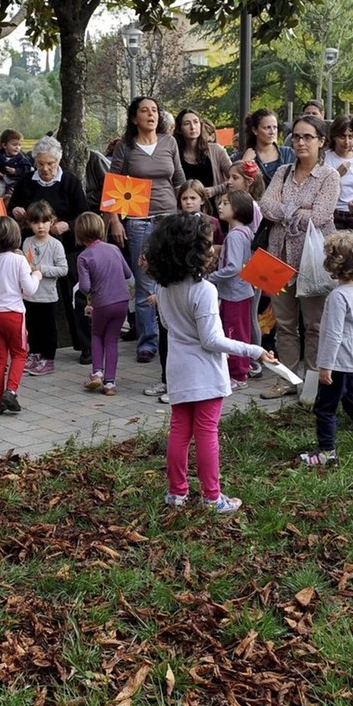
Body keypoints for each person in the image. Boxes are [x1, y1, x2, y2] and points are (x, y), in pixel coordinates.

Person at [147, 212, 272, 512]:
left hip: (177, 367)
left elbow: (166, 323)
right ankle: (212, 497)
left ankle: (176, 493)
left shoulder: (163, 288)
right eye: (207, 244)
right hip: (203, 371)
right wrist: (254, 350)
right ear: (194, 250)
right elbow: (212, 340)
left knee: (179, 430)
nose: (212, 249)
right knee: (206, 433)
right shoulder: (204, 290)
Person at [257, 114, 340, 400]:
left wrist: (286, 210)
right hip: (276, 257)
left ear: (321, 141)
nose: (301, 142)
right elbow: (266, 206)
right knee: (284, 323)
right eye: (296, 136)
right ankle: (287, 380)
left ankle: (314, 383)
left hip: (313, 261)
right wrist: (297, 211)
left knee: (314, 324)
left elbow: (321, 215)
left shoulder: (329, 176)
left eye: (308, 137)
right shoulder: (282, 172)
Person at [105, 97, 185, 364]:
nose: (151, 114)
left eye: (154, 110)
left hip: (170, 220)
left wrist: (188, 215)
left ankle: (175, 337)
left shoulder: (169, 142)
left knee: (173, 279)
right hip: (139, 220)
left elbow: (179, 181)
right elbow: (113, 185)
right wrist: (115, 221)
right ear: (133, 118)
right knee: (145, 284)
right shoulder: (125, 147)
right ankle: (147, 342)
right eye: (144, 110)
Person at [298, 230, 353, 466]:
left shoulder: (338, 296)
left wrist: (325, 366)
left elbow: (333, 335)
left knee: (325, 408)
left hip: (338, 364)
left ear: (333, 263)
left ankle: (326, 452)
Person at [7, 137, 91, 360]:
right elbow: (11, 207)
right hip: (33, 247)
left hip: (65, 246)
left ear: (58, 161)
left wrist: (68, 225)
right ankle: (35, 348)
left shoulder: (70, 182)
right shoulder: (27, 181)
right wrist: (16, 210)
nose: (45, 168)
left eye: (50, 164)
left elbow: (84, 215)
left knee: (74, 294)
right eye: (41, 163)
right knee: (33, 297)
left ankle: (85, 345)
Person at [0, 215, 42, 415]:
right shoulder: (19, 260)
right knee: (19, 354)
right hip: (14, 314)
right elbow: (29, 289)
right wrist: (36, 275)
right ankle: (10, 391)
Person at [78, 211, 133, 395]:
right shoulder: (114, 249)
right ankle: (110, 383)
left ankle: (97, 373)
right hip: (122, 301)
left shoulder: (84, 257)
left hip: (102, 303)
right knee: (112, 340)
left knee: (96, 335)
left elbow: (85, 287)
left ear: (79, 234)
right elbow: (127, 274)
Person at [207, 190, 256, 388]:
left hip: (235, 293)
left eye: (225, 203)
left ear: (238, 208)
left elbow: (234, 267)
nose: (220, 206)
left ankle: (239, 374)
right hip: (239, 292)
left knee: (233, 333)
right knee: (237, 332)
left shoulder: (235, 236)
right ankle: (239, 370)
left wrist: (211, 278)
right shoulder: (244, 232)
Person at [22, 201, 69, 376]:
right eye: (35, 222)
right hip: (30, 294)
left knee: (48, 329)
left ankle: (48, 358)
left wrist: (42, 269)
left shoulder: (56, 244)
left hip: (48, 296)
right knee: (32, 327)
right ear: (30, 224)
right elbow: (25, 265)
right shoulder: (27, 242)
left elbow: (63, 269)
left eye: (44, 222)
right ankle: (34, 354)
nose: (40, 226)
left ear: (52, 222)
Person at [326, 115, 353, 230]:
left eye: (351, 137)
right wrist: (337, 175)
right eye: (342, 136)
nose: (347, 142)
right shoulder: (326, 158)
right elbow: (321, 189)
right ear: (334, 136)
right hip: (335, 216)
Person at [177, 108, 233, 191]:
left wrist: (215, 190)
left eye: (196, 122)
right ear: (180, 129)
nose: (192, 127)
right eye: (187, 123)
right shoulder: (175, 154)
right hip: (187, 203)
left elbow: (234, 179)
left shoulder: (216, 150)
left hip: (215, 202)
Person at [236, 108, 295, 183]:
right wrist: (244, 165)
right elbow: (235, 187)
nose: (272, 132)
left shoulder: (288, 153)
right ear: (255, 130)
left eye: (275, 127)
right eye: (267, 128)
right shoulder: (242, 157)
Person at [0, 129, 34, 194]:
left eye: (19, 145)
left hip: (15, 180)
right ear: (4, 145)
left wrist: (16, 171)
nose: (17, 147)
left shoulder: (21, 158)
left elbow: (27, 168)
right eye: (14, 145)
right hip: (2, 180)